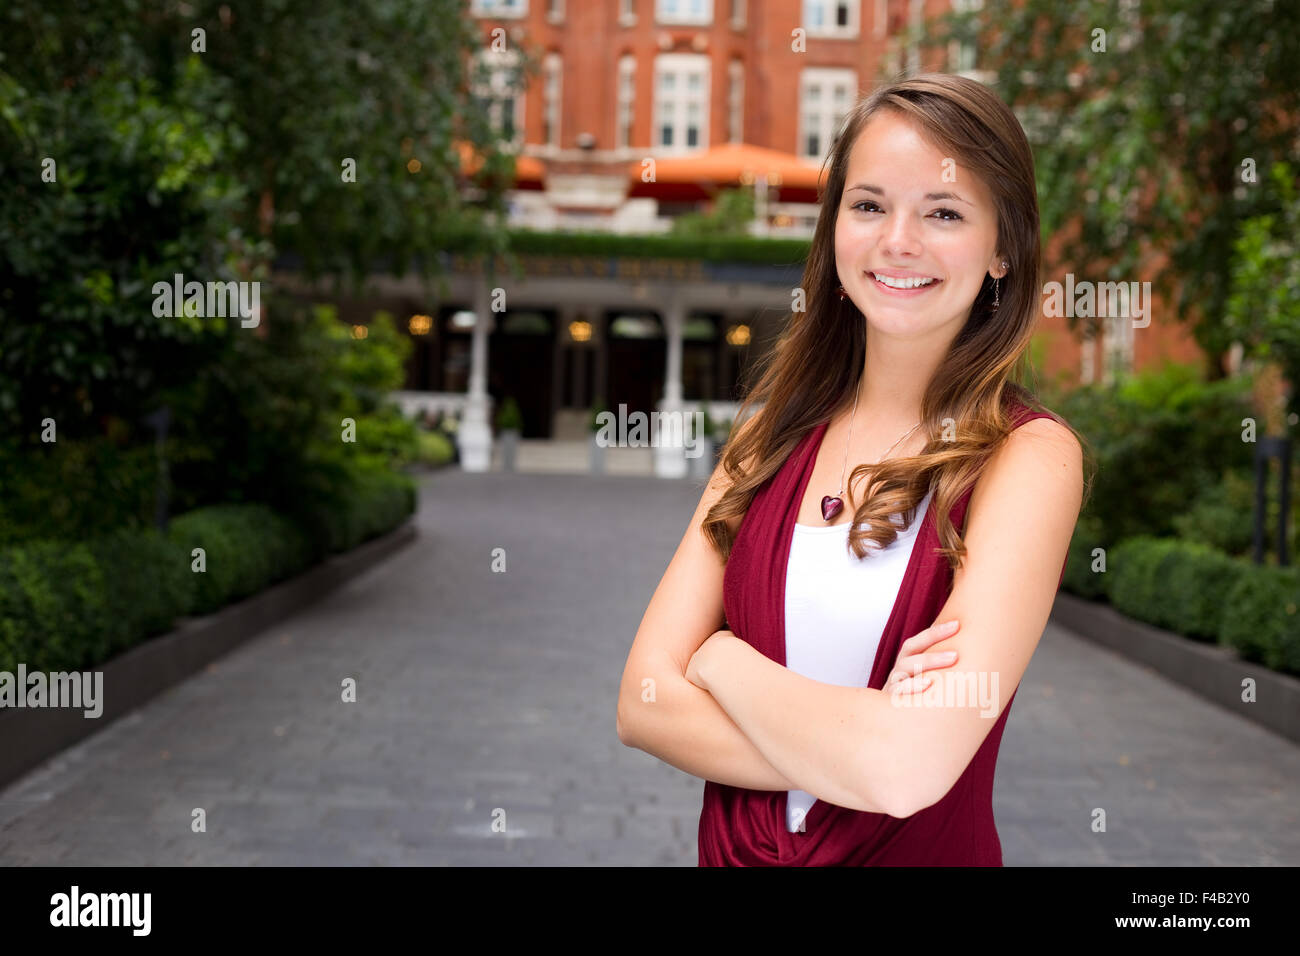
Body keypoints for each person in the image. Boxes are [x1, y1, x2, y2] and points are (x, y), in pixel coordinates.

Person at [615, 72, 1093, 865]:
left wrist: (717, 657)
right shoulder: (765, 443)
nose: (897, 241)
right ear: (834, 225)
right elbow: (643, 703)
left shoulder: (1027, 456)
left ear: (1004, 247)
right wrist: (866, 739)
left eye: (943, 213)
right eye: (868, 205)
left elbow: (910, 770)